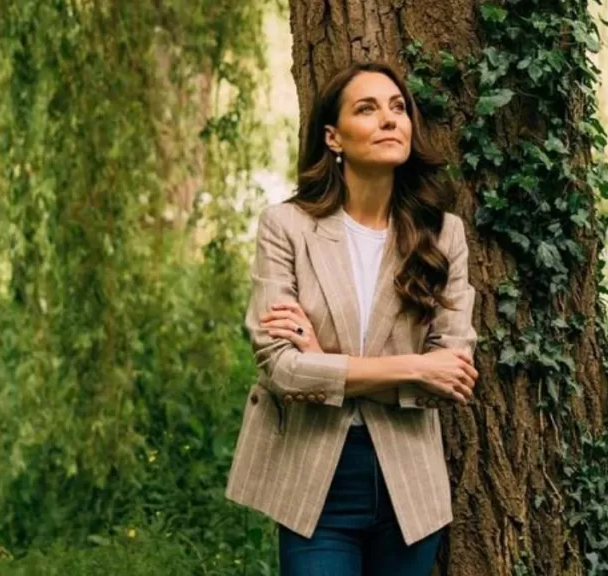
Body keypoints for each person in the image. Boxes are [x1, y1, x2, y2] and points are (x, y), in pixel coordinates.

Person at [225, 60, 478, 576]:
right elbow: (282, 369)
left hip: (409, 484)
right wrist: (415, 367)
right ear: (333, 137)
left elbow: (451, 378)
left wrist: (324, 362)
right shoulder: (286, 227)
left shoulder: (442, 233)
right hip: (315, 480)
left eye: (398, 108)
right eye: (367, 109)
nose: (389, 119)